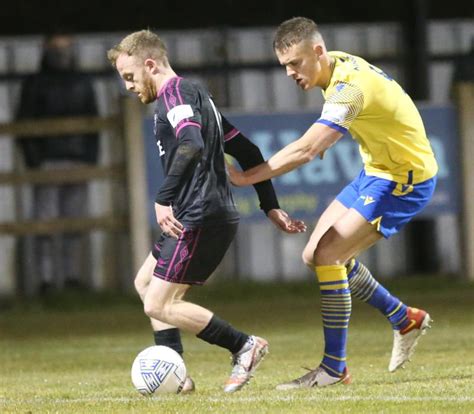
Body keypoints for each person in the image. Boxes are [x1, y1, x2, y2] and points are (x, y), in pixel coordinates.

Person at [228, 17, 438, 389]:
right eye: (285, 66)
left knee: (328, 256)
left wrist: (246, 177)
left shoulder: (349, 87)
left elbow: (307, 148)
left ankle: (333, 368)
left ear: (318, 52)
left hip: (405, 179)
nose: (290, 73)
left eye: (295, 63)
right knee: (314, 256)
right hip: (378, 171)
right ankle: (403, 317)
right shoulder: (335, 65)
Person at [107, 29, 306, 393]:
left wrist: (163, 196)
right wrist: (269, 205)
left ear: (150, 64)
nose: (129, 87)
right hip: (197, 211)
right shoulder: (199, 97)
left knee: (158, 303)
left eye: (130, 77)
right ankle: (177, 376)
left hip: (200, 213)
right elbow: (247, 151)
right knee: (145, 283)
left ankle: (244, 345)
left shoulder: (175, 93)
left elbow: (191, 142)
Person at [16, 33, 99, 294]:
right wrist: (35, 161)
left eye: (65, 46)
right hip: (48, 162)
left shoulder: (82, 83)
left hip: (77, 160)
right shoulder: (35, 84)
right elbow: (24, 124)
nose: (61, 52)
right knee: (45, 224)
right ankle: (46, 280)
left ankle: (72, 277)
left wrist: (89, 159)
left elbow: (92, 123)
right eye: (56, 47)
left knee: (74, 222)